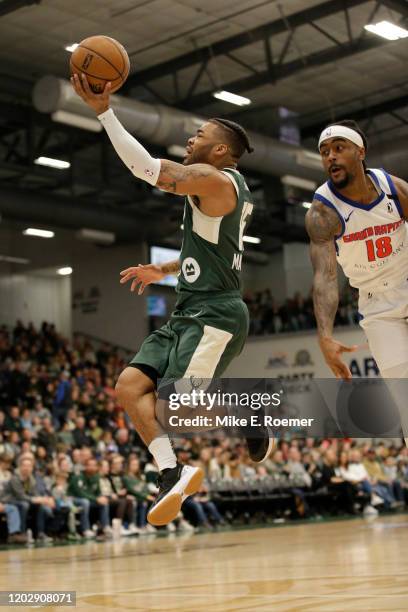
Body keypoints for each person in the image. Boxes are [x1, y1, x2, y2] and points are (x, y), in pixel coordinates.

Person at [71, 73, 274, 526]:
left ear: (221, 150)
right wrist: (161, 270)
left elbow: (148, 169)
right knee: (128, 387)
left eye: (199, 134)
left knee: (177, 407)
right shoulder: (220, 191)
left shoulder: (213, 179)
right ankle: (171, 471)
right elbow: (205, 247)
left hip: (216, 314)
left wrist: (105, 112)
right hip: (188, 312)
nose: (191, 137)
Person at [306, 120, 408, 442]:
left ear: (360, 151)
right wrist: (325, 335)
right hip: (378, 306)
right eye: (325, 152)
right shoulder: (322, 211)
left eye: (339, 148)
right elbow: (325, 277)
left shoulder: (394, 189)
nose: (331, 157)